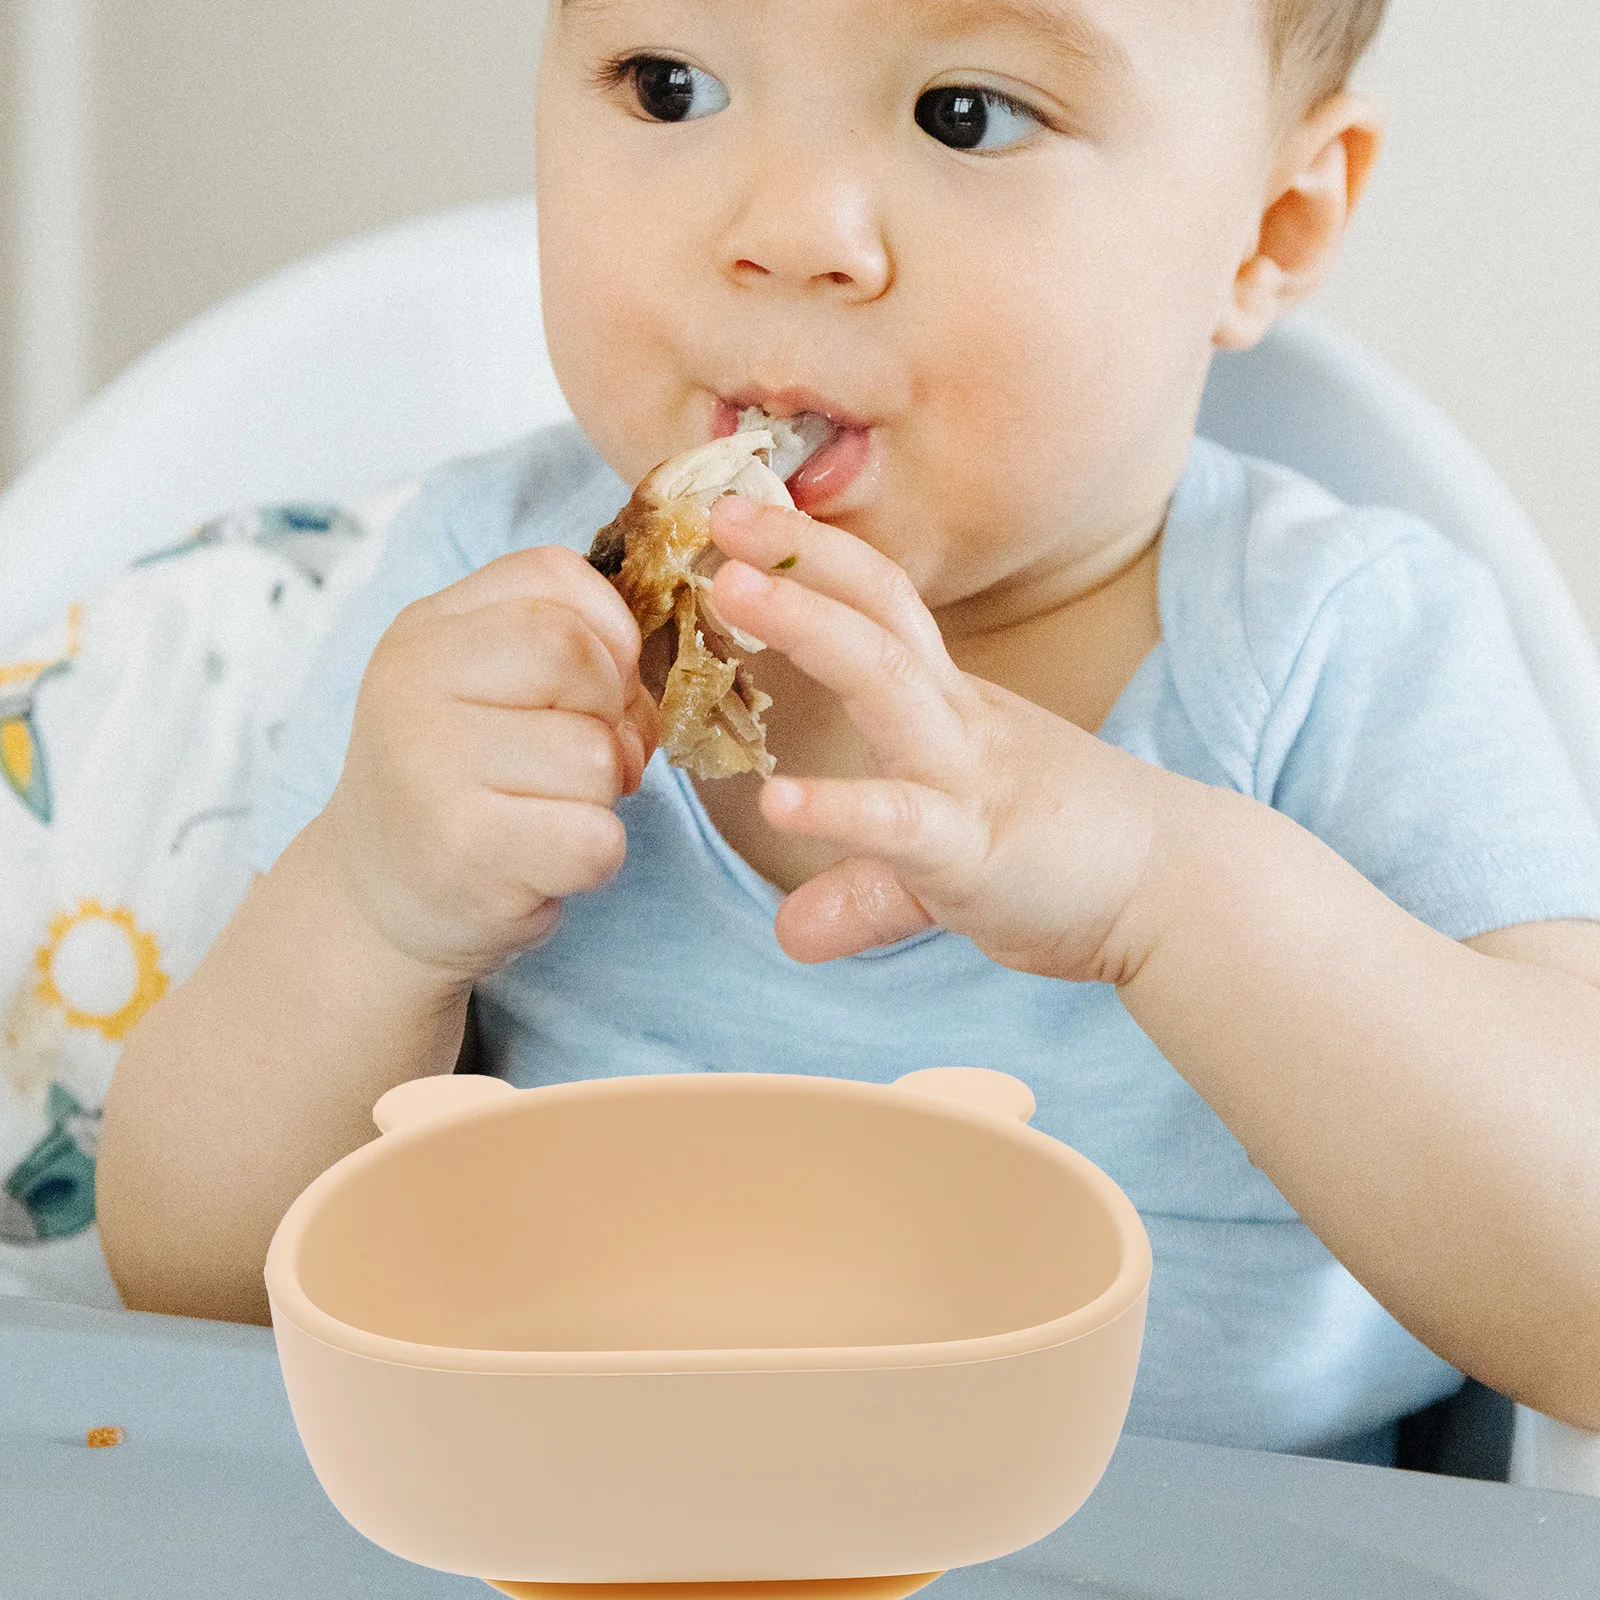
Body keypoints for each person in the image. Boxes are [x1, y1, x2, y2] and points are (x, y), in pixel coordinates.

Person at [98, 0, 1600, 1465]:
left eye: (968, 114)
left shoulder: (1342, 647)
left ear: (1269, 224)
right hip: (566, 1527)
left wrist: (1162, 890)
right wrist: (372, 908)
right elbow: (198, 1292)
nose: (790, 228)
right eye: (670, 80)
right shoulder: (484, 604)